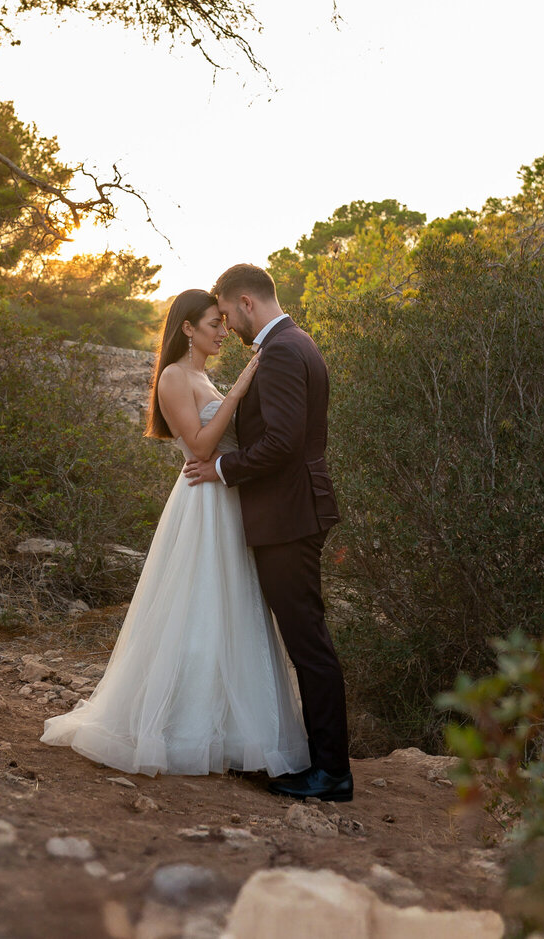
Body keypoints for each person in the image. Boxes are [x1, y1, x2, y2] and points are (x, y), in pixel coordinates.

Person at [39, 288, 311, 777]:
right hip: (201, 501)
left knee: (234, 611)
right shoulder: (172, 376)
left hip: (228, 501)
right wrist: (241, 389)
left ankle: (233, 732)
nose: (223, 332)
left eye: (223, 323)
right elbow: (202, 446)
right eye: (213, 324)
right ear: (187, 328)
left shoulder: (204, 376)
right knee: (198, 608)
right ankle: (182, 730)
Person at [181, 264, 350, 802]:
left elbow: (280, 442)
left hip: (288, 513)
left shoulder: (279, 351)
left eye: (228, 315)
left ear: (247, 302)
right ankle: (320, 763)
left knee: (308, 644)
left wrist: (222, 470)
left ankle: (331, 772)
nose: (228, 327)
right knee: (306, 640)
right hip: (295, 508)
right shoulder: (298, 342)